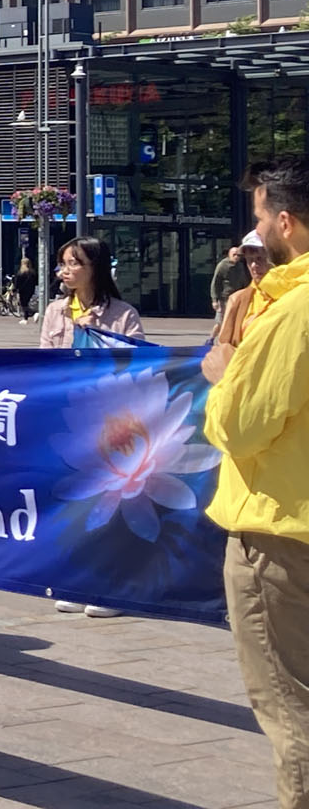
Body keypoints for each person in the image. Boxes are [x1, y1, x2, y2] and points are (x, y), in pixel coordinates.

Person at [202, 159, 309, 809]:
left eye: (260, 215)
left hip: (280, 540)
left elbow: (240, 427)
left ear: (286, 222)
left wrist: (224, 375)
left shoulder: (291, 312)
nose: (256, 229)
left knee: (291, 712)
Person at [36, 234, 143, 619]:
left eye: (74, 262)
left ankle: (111, 585)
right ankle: (77, 579)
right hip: (67, 419)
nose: (65, 270)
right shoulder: (55, 311)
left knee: (109, 506)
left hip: (110, 423)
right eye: (63, 262)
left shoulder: (123, 313)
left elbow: (137, 367)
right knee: (74, 503)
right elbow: (44, 363)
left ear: (95, 267)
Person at [214, 232, 270, 350]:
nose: (254, 265)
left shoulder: (290, 295)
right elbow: (224, 346)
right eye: (250, 260)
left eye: (260, 258)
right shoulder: (237, 300)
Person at [212, 243, 252, 329]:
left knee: (234, 320)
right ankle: (212, 339)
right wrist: (215, 300)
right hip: (225, 298)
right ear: (229, 254)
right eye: (234, 255)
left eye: (239, 255)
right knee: (221, 322)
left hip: (236, 297)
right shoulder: (222, 265)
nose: (236, 257)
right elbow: (215, 282)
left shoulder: (240, 266)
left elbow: (244, 280)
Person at [13, 256, 40, 325]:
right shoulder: (33, 272)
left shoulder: (20, 272)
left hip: (22, 290)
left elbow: (17, 282)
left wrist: (15, 290)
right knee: (26, 303)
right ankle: (26, 317)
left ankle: (32, 314)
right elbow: (36, 281)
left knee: (23, 304)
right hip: (31, 290)